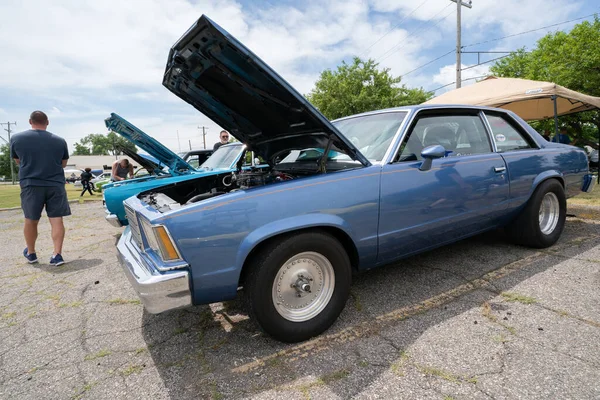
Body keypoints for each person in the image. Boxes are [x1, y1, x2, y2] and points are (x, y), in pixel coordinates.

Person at [10, 110, 70, 266]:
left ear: (30, 121)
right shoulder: (60, 141)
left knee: (31, 219)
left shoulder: (17, 138)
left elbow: (18, 161)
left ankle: (31, 253)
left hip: (31, 184)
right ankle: (57, 255)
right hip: (55, 184)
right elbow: (63, 164)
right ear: (47, 122)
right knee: (56, 220)